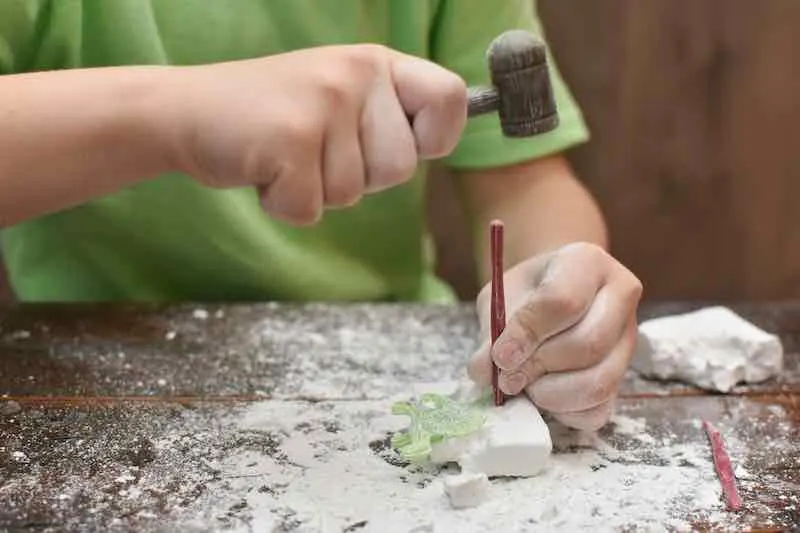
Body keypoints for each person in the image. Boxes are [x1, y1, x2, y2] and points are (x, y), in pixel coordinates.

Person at [0, 0, 642, 431]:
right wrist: (173, 115)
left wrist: (560, 283)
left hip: (395, 359)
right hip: (90, 376)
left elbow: (524, 182)